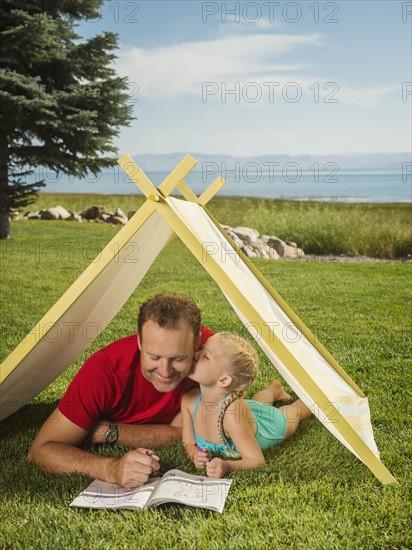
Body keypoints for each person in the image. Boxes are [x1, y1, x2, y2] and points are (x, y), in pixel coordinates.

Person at [28, 293, 214, 488]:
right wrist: (112, 469)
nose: (165, 371)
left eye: (178, 358)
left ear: (196, 344)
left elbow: (181, 431)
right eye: (154, 357)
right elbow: (41, 450)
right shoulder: (103, 371)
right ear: (140, 341)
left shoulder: (212, 354)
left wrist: (108, 432)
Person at [181, 332, 312, 478]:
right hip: (246, 413)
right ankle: (274, 390)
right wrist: (195, 455)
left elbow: (256, 460)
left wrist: (227, 466)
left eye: (205, 356)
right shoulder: (189, 401)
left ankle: (317, 397)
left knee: (293, 412)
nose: (195, 354)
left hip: (269, 426)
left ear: (224, 380)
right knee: (255, 404)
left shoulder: (232, 414)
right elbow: (188, 442)